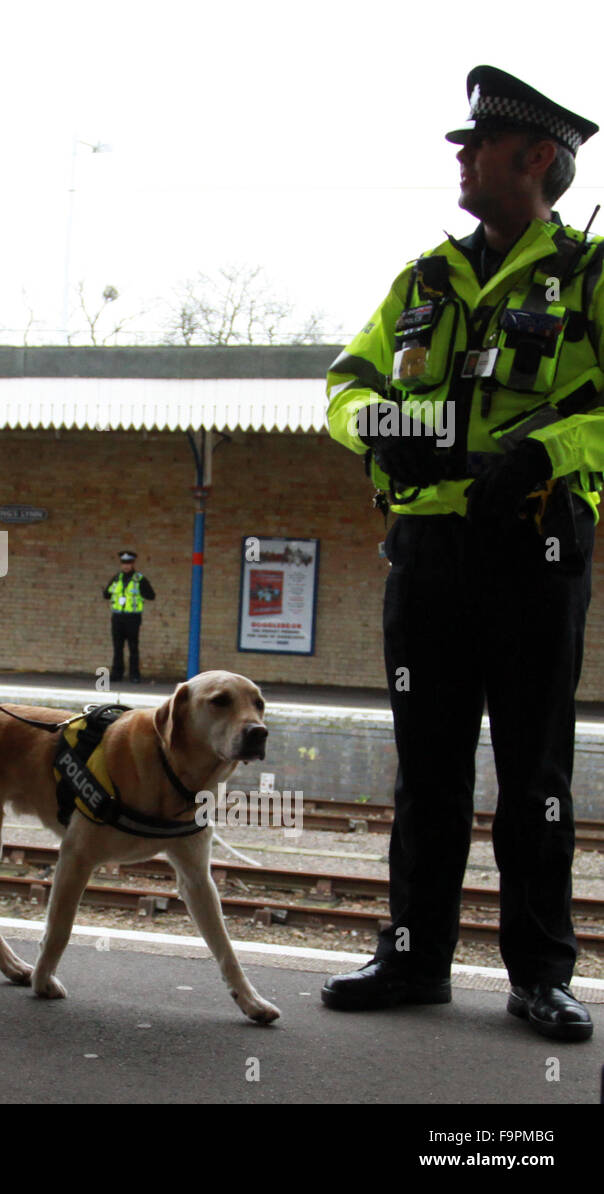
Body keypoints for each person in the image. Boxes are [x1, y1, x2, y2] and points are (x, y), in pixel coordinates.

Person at [323, 65, 603, 1041]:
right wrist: (373, 431)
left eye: (478, 142)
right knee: (424, 772)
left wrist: (545, 450)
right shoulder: (423, 278)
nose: (460, 153)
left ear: (536, 159)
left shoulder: (592, 278)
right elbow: (344, 382)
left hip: (531, 552)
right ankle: (412, 960)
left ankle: (540, 976)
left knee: (533, 776)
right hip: (427, 558)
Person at [104, 550, 155, 683]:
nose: (126, 566)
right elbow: (106, 594)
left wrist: (140, 593)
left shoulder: (139, 579)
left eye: (129, 563)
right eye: (124, 563)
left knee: (133, 646)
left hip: (133, 618)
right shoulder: (117, 578)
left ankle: (134, 675)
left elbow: (151, 595)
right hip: (118, 617)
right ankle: (117, 674)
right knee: (117, 646)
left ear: (133, 564)